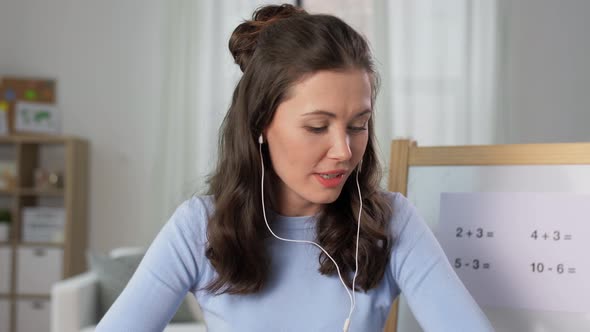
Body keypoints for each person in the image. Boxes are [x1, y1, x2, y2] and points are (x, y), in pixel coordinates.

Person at [96, 4, 493, 332]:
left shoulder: (390, 223)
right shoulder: (198, 228)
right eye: (317, 127)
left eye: (358, 125)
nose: (343, 150)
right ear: (260, 124)